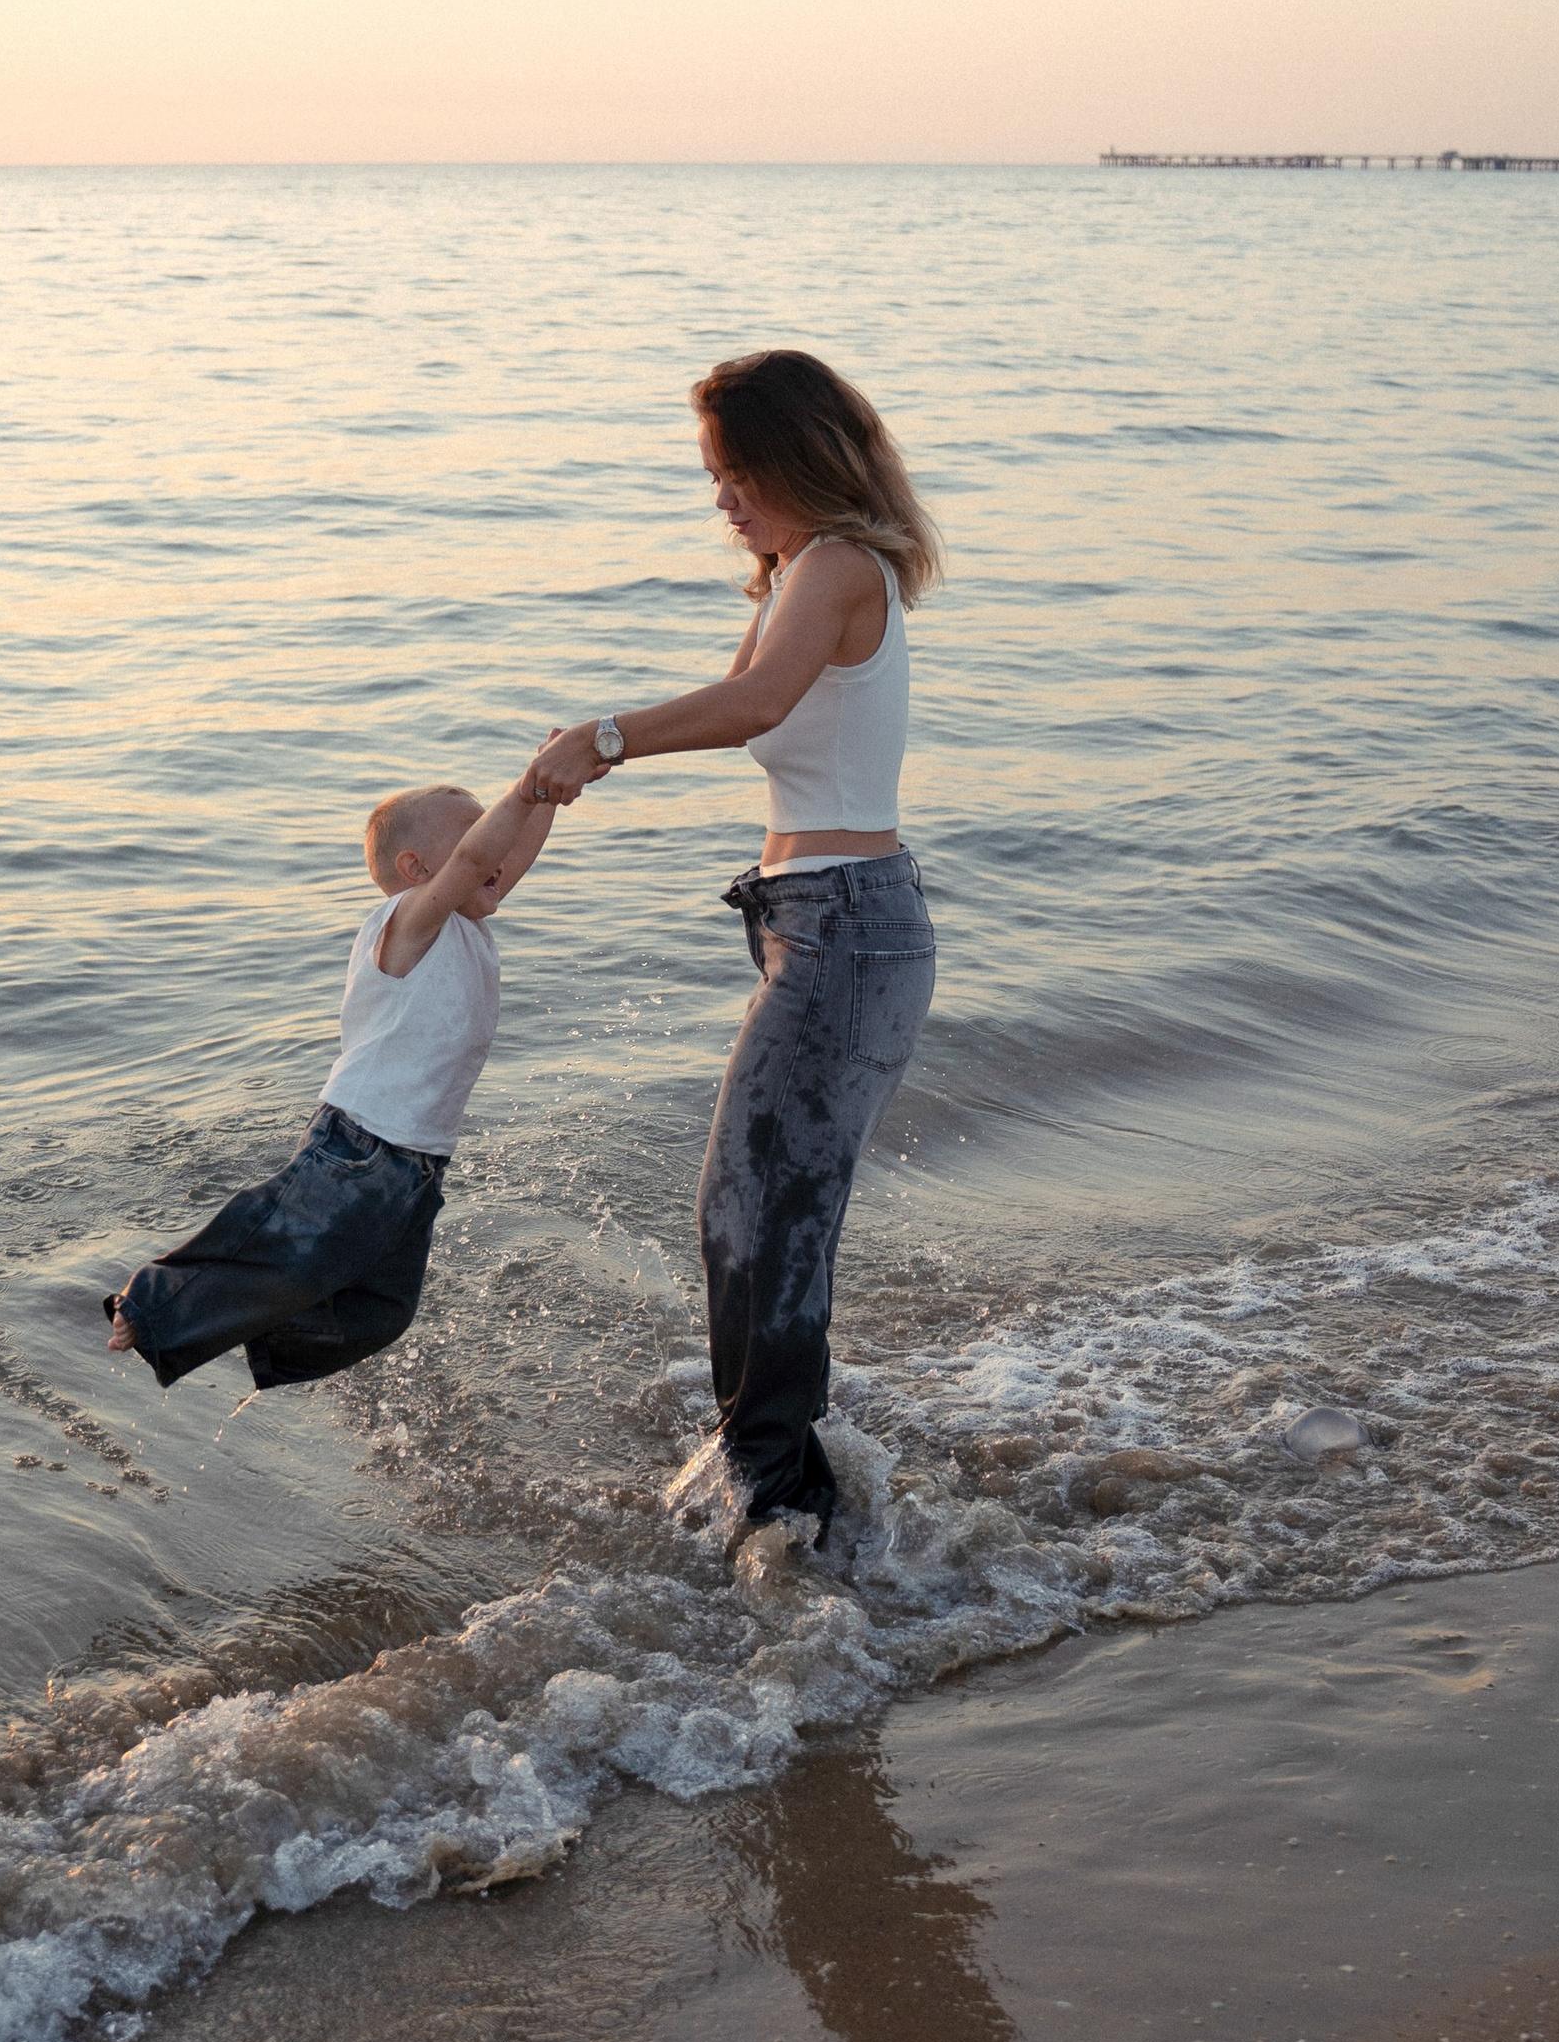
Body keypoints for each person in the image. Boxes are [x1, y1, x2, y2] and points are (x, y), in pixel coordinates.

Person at [522, 349, 939, 1555]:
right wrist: (602, 738)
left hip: (845, 923)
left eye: (732, 472)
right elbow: (747, 691)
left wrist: (605, 737)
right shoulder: (805, 573)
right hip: (823, 920)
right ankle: (771, 1474)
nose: (719, 499)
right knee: (750, 1208)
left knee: (766, 1214)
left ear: (791, 458)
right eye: (712, 476)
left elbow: (752, 707)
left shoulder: (839, 566)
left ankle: (781, 1502)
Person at [103, 777, 555, 1390]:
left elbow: (503, 857)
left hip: (419, 1160)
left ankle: (263, 1336)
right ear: (416, 869)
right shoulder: (411, 918)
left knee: (383, 1311)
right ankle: (151, 1305)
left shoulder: (467, 922)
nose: (495, 856)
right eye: (473, 838)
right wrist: (527, 791)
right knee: (283, 1246)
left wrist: (552, 795)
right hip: (361, 1143)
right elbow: (481, 857)